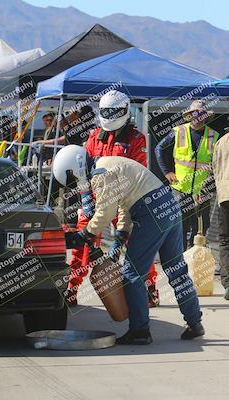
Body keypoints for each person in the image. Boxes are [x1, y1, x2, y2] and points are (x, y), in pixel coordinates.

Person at [53, 145, 204, 344]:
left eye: (72, 180)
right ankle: (195, 323)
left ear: (76, 168)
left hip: (151, 213)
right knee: (176, 270)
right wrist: (122, 234)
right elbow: (126, 203)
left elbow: (105, 212)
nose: (75, 185)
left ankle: (140, 331)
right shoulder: (111, 163)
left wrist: (84, 234)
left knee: (132, 274)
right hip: (169, 207)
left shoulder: (101, 173)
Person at [67, 90, 159, 307]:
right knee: (83, 244)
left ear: (125, 111)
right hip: (97, 199)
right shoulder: (93, 136)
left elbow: (137, 175)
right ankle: (71, 289)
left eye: (114, 111)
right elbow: (84, 170)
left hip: (126, 200)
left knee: (136, 244)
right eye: (106, 111)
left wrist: (121, 218)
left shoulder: (137, 139)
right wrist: (86, 201)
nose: (110, 115)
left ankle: (150, 288)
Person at [155, 100, 219, 250]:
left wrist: (208, 188)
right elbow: (159, 149)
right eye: (194, 113)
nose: (198, 117)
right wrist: (166, 172)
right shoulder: (178, 131)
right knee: (179, 227)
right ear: (190, 115)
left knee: (201, 228)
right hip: (180, 189)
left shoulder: (214, 136)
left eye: (201, 113)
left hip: (202, 191)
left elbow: (217, 165)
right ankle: (181, 261)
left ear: (206, 116)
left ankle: (195, 261)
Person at [213, 128, 229, 300]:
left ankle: (228, 284)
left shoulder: (221, 141)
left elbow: (215, 168)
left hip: (225, 196)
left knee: (225, 240)